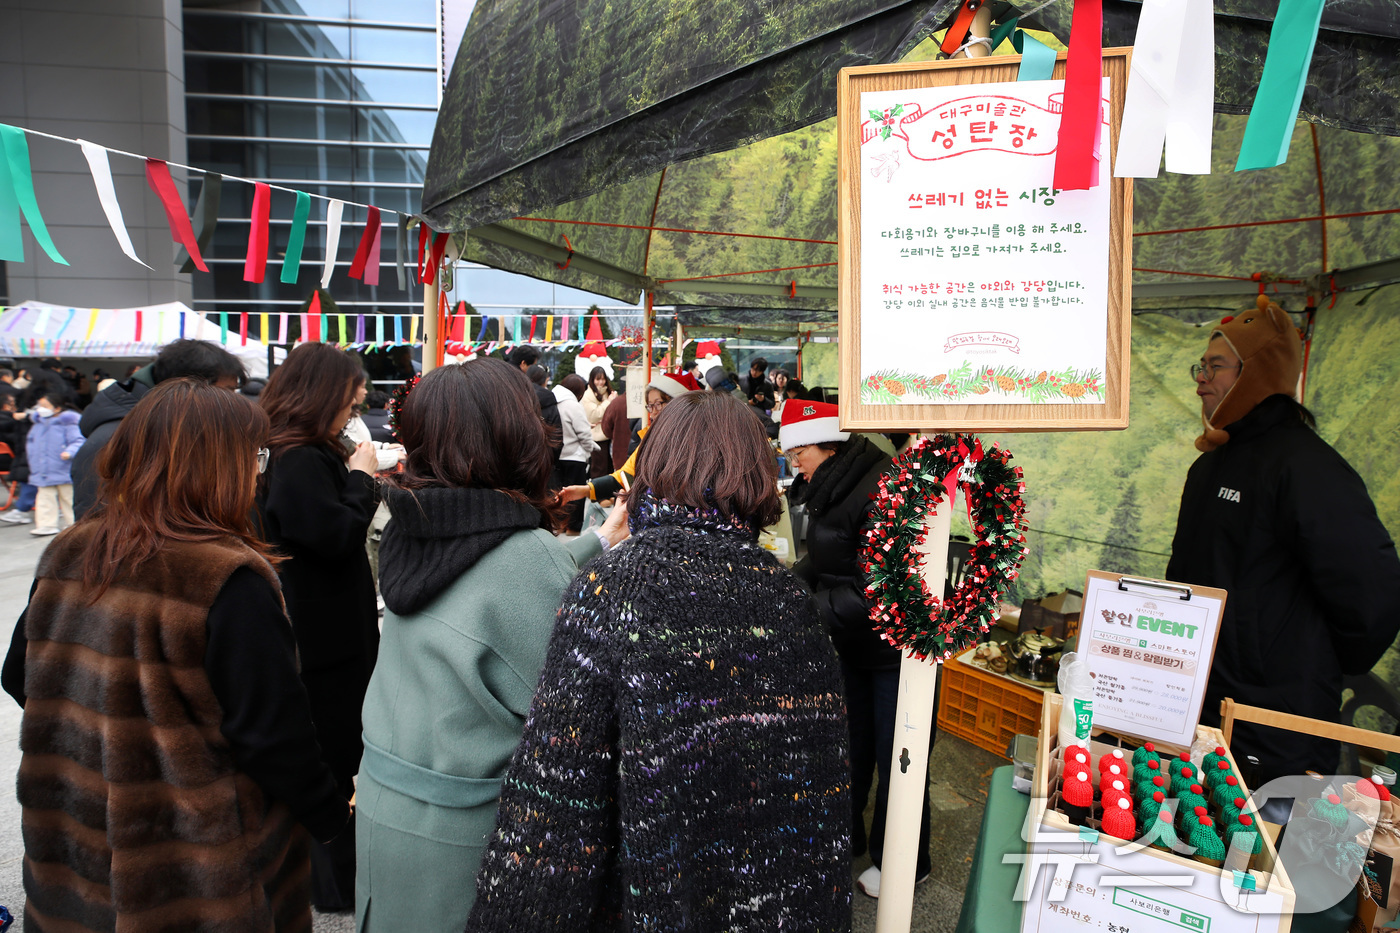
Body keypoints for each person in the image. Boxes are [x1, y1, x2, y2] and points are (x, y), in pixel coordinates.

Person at [466, 391, 852, 932]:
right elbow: (818, 806)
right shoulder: (789, 598)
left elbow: (554, 804)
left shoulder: (611, 589)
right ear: (757, 474)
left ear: (653, 467)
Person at [1, 379, 351, 932]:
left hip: (78, 833)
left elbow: (19, 674)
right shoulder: (228, 579)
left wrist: (108, 734)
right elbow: (272, 735)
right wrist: (332, 817)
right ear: (221, 465)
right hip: (196, 854)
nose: (260, 472)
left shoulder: (72, 548)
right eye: (254, 457)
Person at [354, 360, 629, 932]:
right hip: (466, 839)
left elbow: (489, 588)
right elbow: (578, 723)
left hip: (388, 806)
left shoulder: (413, 526)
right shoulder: (525, 557)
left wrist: (594, 543)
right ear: (519, 438)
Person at [1167, 295, 1400, 783]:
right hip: (1199, 703)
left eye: (1216, 366)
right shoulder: (1209, 466)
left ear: (1257, 373)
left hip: (1273, 718)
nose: (1201, 379)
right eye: (1200, 367)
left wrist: (1317, 661)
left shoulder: (1306, 467)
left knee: (1255, 847)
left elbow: (1373, 590)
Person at [781, 399, 933, 898]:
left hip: (894, 649)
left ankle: (907, 862)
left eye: (798, 450)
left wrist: (806, 608)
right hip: (852, 643)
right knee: (849, 746)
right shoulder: (828, 485)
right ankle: (843, 835)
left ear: (828, 443)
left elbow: (877, 585)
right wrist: (783, 587)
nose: (793, 461)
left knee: (899, 757)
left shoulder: (881, 486)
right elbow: (827, 562)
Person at [257, 342, 380, 912]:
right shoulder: (300, 457)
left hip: (325, 624)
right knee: (335, 751)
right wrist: (361, 479)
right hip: (323, 631)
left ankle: (334, 877)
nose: (352, 413)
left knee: (337, 746)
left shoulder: (293, 451)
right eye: (348, 402)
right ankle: (334, 884)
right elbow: (332, 535)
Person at [72, 338, 245, 519]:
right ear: (187, 385)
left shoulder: (180, 425)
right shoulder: (114, 438)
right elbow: (95, 528)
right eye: (226, 391)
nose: (232, 402)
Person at [560, 372, 697, 506]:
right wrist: (586, 490)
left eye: (658, 404)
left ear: (680, 405)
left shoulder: (697, 441)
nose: (653, 413)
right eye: (650, 406)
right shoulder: (651, 439)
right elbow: (626, 475)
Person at [26, 390, 83, 536]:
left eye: (45, 405)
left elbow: (78, 440)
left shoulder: (68, 422)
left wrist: (69, 452)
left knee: (68, 497)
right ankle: (46, 524)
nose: (41, 409)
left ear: (57, 408)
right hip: (43, 469)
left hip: (63, 467)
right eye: (40, 405)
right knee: (45, 498)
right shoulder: (38, 423)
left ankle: (74, 523)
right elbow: (31, 443)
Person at [552, 372, 599, 531]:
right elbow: (583, 433)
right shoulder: (572, 405)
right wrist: (589, 450)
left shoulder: (552, 402)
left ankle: (559, 525)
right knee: (576, 496)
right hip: (575, 457)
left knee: (560, 493)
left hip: (557, 456)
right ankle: (573, 528)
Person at [580, 366, 615, 478]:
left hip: (609, 434)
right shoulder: (588, 395)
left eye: (603, 379)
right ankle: (597, 493)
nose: (601, 382)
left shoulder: (608, 392)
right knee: (599, 468)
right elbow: (594, 415)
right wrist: (608, 402)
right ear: (592, 380)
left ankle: (608, 493)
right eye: (598, 379)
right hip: (597, 436)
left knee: (609, 467)